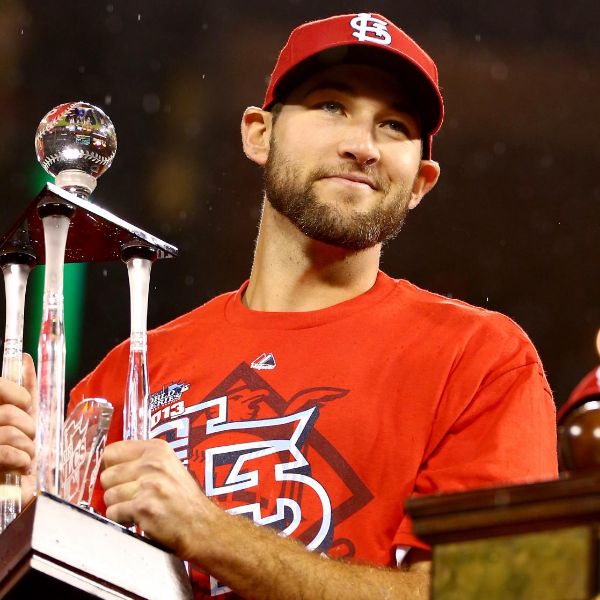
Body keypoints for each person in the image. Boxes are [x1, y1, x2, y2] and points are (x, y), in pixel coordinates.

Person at [0, 12, 557, 600]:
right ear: (257, 134)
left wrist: (210, 532)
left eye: (393, 125)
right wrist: (20, 517)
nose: (361, 145)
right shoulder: (122, 377)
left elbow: (501, 592)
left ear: (420, 182)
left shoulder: (480, 361)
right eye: (331, 106)